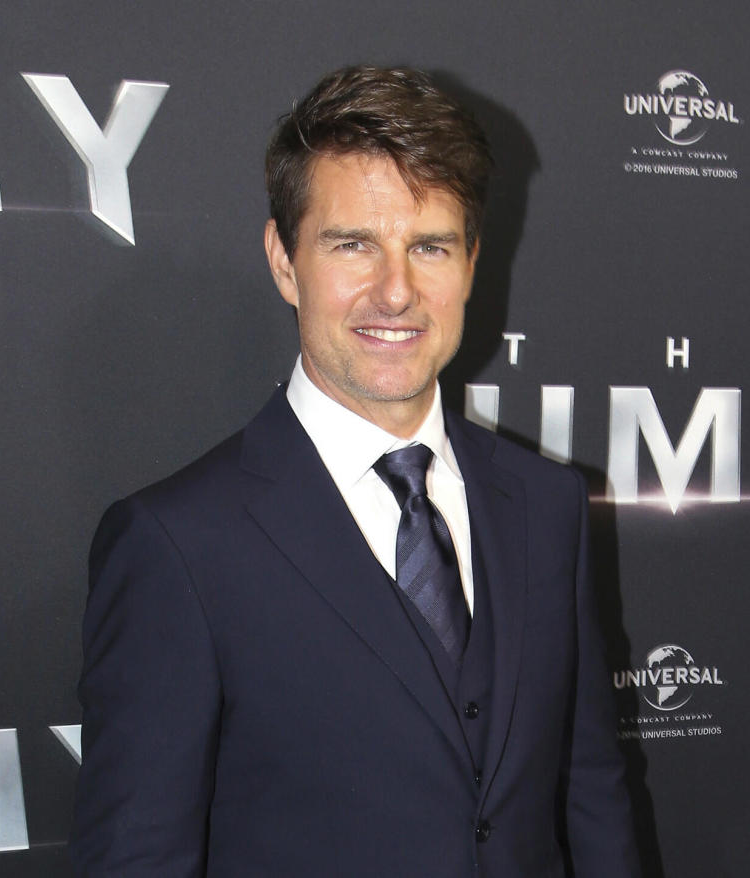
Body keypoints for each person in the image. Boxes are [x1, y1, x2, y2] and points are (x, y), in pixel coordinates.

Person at [70, 65, 639, 877]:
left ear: (472, 263)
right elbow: (138, 858)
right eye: (353, 245)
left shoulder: (547, 505)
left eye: (430, 246)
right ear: (283, 259)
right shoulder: (178, 544)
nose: (396, 291)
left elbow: (592, 800)